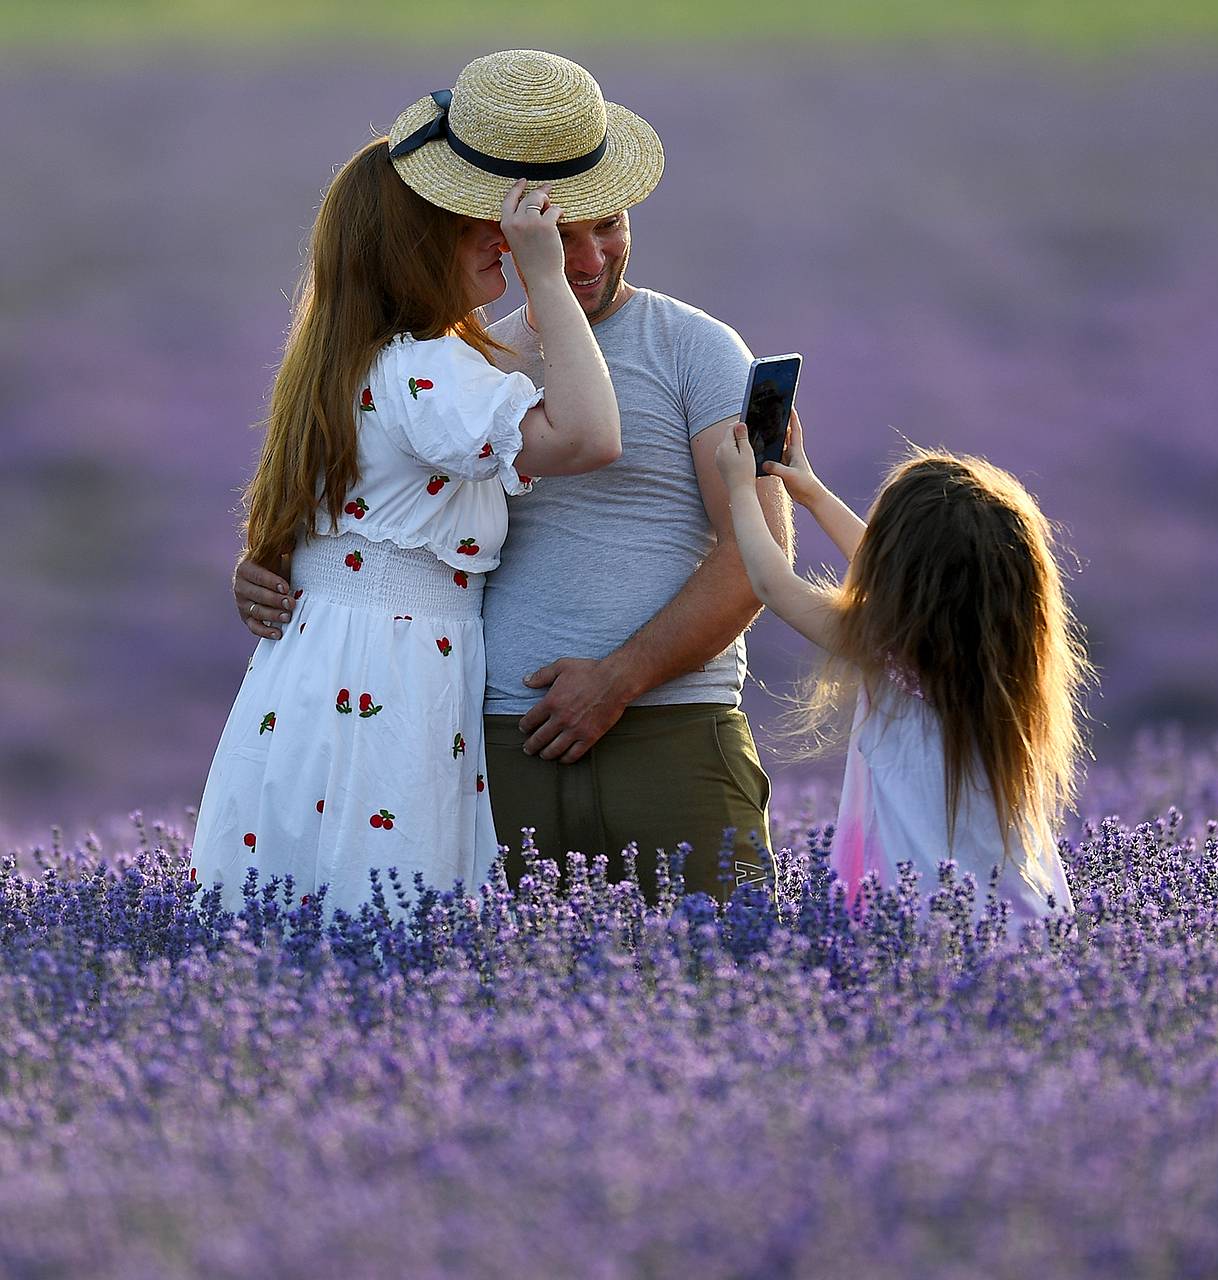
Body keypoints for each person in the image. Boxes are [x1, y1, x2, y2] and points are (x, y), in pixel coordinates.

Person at [233, 50, 793, 906]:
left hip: (669, 728)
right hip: (496, 739)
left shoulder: (697, 350)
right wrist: (282, 568)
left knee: (725, 981)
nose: (588, 255)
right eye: (556, 235)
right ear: (500, 234)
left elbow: (758, 554)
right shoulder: (464, 363)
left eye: (607, 223)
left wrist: (619, 679)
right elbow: (376, 503)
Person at [190, 78, 623, 916]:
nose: (498, 240)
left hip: (315, 671)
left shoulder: (346, 363)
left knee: (297, 900)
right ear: (413, 249)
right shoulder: (429, 370)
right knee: (385, 906)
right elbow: (589, 436)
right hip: (393, 678)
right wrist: (549, 281)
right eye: (471, 229)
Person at [715, 418, 1090, 925]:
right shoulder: (1009, 664)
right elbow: (903, 573)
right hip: (1020, 919)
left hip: (916, 923)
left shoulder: (886, 653)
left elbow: (772, 582)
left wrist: (740, 488)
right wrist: (813, 493)